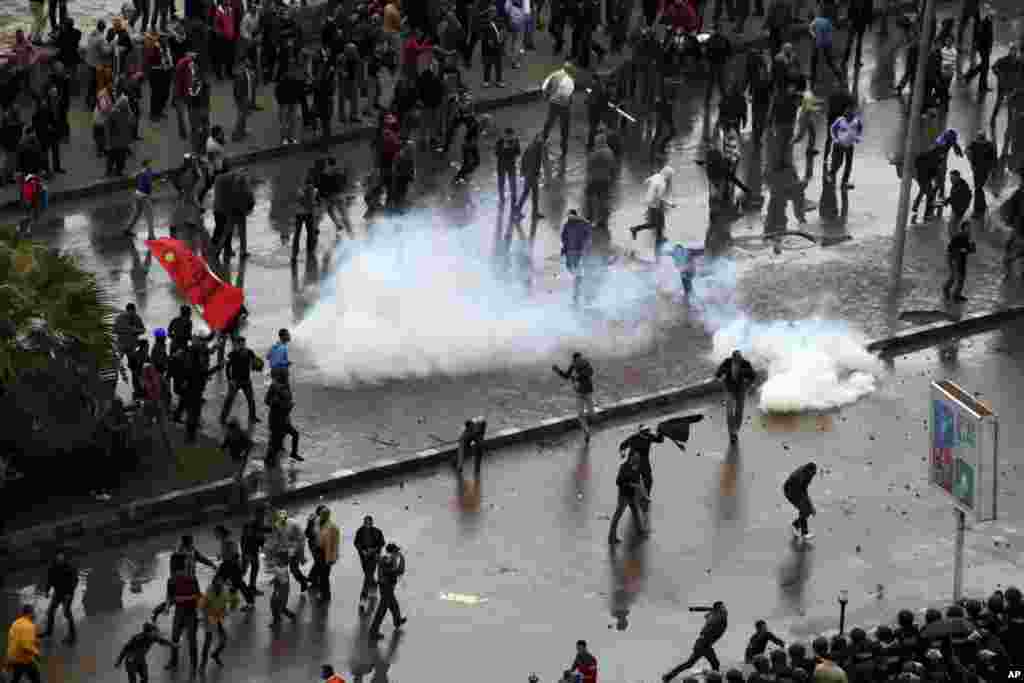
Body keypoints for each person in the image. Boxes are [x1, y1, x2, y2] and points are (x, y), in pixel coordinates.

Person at [153, 555, 201, 676]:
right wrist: (168, 607)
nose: (174, 573)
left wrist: (181, 598)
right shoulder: (171, 580)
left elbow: (198, 596)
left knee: (192, 641)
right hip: (179, 613)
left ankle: (194, 665)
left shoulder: (192, 579)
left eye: (176, 570)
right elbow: (169, 596)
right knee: (174, 638)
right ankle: (174, 662)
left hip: (191, 613)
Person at [664, 602, 729, 679]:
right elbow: (712, 621)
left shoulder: (715, 614)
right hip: (704, 644)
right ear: (719, 609)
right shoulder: (718, 617)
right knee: (715, 664)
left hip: (702, 643)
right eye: (723, 607)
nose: (725, 608)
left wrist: (695, 609)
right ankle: (716, 678)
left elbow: (709, 614)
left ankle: (668, 676)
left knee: (690, 663)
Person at [631, 165, 675, 261]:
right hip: (654, 204)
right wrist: (670, 204)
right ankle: (635, 229)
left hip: (649, 201)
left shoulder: (656, 176)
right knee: (654, 223)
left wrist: (651, 188)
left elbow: (646, 181)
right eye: (670, 176)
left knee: (660, 221)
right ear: (667, 175)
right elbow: (660, 198)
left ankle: (660, 238)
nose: (670, 178)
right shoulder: (662, 183)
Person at [619, 425, 665, 513]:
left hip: (644, 461)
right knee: (632, 482)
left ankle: (645, 497)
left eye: (648, 430)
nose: (647, 433)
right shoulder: (633, 438)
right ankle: (632, 499)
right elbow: (623, 445)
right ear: (640, 432)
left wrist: (660, 432)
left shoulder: (649, 436)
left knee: (649, 480)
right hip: (633, 462)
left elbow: (660, 440)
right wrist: (622, 453)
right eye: (645, 431)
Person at [714, 350, 757, 443]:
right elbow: (717, 374)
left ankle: (736, 430)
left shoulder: (745, 363)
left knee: (739, 411)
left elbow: (753, 376)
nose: (738, 361)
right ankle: (732, 433)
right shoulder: (727, 362)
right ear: (732, 358)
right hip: (729, 389)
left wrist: (748, 384)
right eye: (736, 359)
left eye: (739, 359)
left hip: (741, 390)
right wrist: (721, 377)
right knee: (729, 411)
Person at [608, 450, 648, 544]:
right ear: (631, 457)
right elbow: (618, 481)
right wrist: (631, 485)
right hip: (624, 496)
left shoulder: (637, 467)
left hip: (632, 495)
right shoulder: (624, 467)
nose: (638, 458)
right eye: (636, 456)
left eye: (638, 456)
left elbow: (639, 482)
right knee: (617, 516)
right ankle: (611, 537)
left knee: (635, 512)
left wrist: (644, 495)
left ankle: (640, 532)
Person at [197, 576, 238, 670]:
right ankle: (203, 664)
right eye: (216, 585)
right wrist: (202, 618)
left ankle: (215, 654)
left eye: (220, 585)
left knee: (223, 641)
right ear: (213, 585)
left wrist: (231, 606)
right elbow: (201, 606)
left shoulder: (225, 590)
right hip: (210, 617)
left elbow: (234, 602)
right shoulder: (209, 591)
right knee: (207, 642)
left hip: (220, 617)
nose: (218, 587)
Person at [221, 336, 262, 425]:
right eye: (240, 343)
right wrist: (229, 380)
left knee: (251, 400)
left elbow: (255, 362)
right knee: (229, 400)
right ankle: (223, 418)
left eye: (243, 343)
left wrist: (258, 364)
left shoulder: (249, 352)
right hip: (235, 381)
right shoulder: (232, 354)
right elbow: (227, 368)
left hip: (246, 381)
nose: (242, 345)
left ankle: (252, 417)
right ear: (236, 344)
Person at [369, 542, 407, 640]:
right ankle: (373, 631)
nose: (398, 552)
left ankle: (397, 620)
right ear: (393, 551)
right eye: (397, 551)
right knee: (382, 610)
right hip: (386, 587)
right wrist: (402, 559)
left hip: (386, 586)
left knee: (393, 604)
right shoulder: (388, 559)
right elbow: (398, 571)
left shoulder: (386, 558)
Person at [553, 351, 595, 439]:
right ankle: (586, 432)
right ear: (575, 359)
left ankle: (588, 429)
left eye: (579, 359)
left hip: (587, 392)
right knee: (580, 414)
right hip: (579, 392)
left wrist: (577, 377)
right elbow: (566, 376)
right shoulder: (573, 366)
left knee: (591, 414)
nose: (577, 361)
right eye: (576, 360)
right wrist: (558, 370)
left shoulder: (586, 364)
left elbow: (590, 373)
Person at [213, 524, 256, 609]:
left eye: (216, 533)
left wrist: (227, 559)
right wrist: (221, 555)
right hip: (228, 564)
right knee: (236, 584)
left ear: (220, 532)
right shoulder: (224, 539)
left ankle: (249, 603)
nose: (215, 535)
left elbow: (235, 554)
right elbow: (229, 552)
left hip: (232, 565)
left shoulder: (229, 540)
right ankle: (220, 601)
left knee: (237, 584)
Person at [40, 549, 78, 644]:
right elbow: (49, 580)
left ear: (64, 557)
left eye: (61, 556)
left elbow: (75, 581)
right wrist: (47, 591)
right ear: (56, 557)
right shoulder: (52, 567)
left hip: (68, 594)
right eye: (58, 556)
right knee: (50, 611)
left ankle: (72, 635)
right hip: (58, 593)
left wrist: (70, 593)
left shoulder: (69, 567)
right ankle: (49, 632)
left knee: (67, 613)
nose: (60, 557)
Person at [267, 509, 309, 593]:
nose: (281, 520)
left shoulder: (294, 524)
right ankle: (304, 580)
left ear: (286, 517)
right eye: (279, 519)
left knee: (294, 570)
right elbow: (276, 540)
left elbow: (302, 538)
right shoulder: (277, 525)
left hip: (295, 550)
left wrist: (300, 553)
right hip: (284, 551)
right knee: (281, 567)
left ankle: (304, 582)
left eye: (283, 518)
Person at [266, 368, 301, 463]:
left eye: (287, 375)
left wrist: (289, 405)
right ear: (280, 376)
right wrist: (276, 402)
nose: (287, 377)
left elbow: (289, 398)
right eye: (286, 375)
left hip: (285, 417)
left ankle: (293, 453)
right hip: (275, 418)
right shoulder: (274, 386)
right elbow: (267, 401)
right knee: (275, 441)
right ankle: (269, 459)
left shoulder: (286, 385)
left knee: (294, 434)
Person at [559, 210, 594, 306]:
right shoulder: (567, 224)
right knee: (570, 268)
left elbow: (589, 235)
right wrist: (564, 249)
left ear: (575, 215)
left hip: (579, 252)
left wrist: (585, 247)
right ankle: (580, 285)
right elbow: (563, 237)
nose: (570, 218)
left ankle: (582, 295)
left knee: (578, 272)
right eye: (568, 216)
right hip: (570, 251)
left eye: (571, 216)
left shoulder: (583, 223)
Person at [542, 62, 575, 157]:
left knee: (550, 121)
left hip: (554, 104)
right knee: (564, 127)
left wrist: (547, 97)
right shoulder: (569, 78)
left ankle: (543, 138)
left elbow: (547, 88)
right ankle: (564, 148)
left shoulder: (555, 75)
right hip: (564, 106)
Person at [829, 106, 863, 189]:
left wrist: (858, 137)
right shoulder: (840, 120)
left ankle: (844, 182)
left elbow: (860, 129)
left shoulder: (857, 120)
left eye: (851, 113)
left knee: (848, 164)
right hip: (839, 145)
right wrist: (835, 139)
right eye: (847, 113)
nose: (849, 115)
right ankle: (831, 175)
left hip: (849, 146)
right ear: (845, 114)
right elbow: (832, 129)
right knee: (838, 162)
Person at [354, 515, 385, 604]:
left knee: (368, 576)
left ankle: (363, 598)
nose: (367, 524)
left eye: (369, 522)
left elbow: (382, 543)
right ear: (363, 523)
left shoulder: (377, 531)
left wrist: (374, 550)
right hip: (364, 557)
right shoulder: (359, 531)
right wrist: (362, 551)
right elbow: (356, 543)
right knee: (369, 575)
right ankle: (374, 586)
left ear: (372, 523)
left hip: (373, 557)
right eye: (365, 522)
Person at [783, 462, 818, 540]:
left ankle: (795, 525)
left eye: (814, 473)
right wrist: (810, 506)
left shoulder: (809, 474)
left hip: (799, 490)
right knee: (804, 510)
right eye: (813, 473)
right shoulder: (799, 477)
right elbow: (802, 492)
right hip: (790, 491)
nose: (813, 475)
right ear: (808, 471)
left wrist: (810, 506)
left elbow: (805, 490)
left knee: (807, 510)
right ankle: (804, 533)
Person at [7, 604, 41, 683]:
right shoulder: (29, 626)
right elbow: (26, 646)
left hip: (13, 656)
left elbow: (14, 638)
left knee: (16, 678)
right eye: (34, 612)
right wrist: (36, 653)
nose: (35, 614)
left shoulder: (16, 623)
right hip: (23, 659)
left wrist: (34, 640)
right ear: (30, 613)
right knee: (36, 679)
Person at [515, 133, 545, 221]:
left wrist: (524, 172)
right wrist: (535, 173)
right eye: (540, 138)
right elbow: (532, 162)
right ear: (536, 138)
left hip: (529, 174)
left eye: (542, 138)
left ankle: (519, 210)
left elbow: (524, 159)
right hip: (531, 175)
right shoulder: (535, 148)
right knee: (532, 194)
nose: (542, 140)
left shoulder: (534, 146)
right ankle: (532, 213)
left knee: (528, 193)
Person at [943, 221, 976, 303]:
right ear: (963, 228)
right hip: (954, 259)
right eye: (967, 227)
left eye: (970, 227)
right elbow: (950, 248)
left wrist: (971, 246)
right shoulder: (958, 236)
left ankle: (956, 295)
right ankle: (947, 290)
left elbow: (971, 250)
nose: (969, 229)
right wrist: (960, 251)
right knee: (954, 277)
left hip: (961, 259)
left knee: (961, 278)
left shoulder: (968, 237)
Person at [966, 131, 997, 217]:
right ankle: (981, 207)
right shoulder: (987, 144)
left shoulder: (975, 144)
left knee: (979, 188)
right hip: (982, 170)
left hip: (980, 170)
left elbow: (967, 152)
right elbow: (994, 158)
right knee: (979, 188)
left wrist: (971, 163)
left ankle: (978, 209)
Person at [314, 506, 341, 602]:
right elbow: (316, 536)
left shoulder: (333, 527)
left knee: (324, 575)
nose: (322, 516)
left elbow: (335, 544)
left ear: (328, 515)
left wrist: (333, 558)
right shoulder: (317, 523)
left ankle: (325, 594)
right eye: (321, 514)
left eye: (325, 514)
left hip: (327, 553)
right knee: (321, 574)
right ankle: (323, 593)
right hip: (319, 552)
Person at [268, 551, 298, 625]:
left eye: (277, 559)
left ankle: (277, 619)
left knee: (277, 605)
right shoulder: (280, 568)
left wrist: (273, 568)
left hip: (282, 591)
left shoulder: (283, 569)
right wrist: (272, 580)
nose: (275, 560)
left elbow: (280, 574)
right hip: (278, 590)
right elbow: (278, 576)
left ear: (282, 561)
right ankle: (289, 616)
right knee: (277, 605)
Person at [943, 170, 972, 238]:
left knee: (953, 226)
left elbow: (968, 197)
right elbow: (954, 196)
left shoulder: (963, 186)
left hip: (959, 210)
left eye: (953, 178)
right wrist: (947, 201)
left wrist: (963, 208)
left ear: (958, 177)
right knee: (952, 227)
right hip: (956, 209)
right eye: (950, 178)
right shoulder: (955, 185)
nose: (951, 180)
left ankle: (957, 241)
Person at [496, 127, 521, 206]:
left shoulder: (515, 141)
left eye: (510, 135)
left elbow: (518, 152)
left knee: (512, 183)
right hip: (501, 165)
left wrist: (512, 148)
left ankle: (514, 199)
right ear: (505, 135)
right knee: (501, 183)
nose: (509, 137)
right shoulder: (500, 141)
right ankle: (501, 198)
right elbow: (496, 153)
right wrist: (503, 149)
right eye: (507, 135)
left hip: (511, 165)